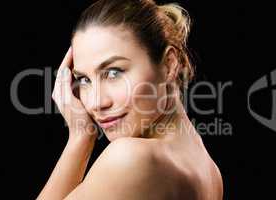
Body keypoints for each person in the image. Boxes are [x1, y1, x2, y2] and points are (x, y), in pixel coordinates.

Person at [37, 0, 223, 199]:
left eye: (113, 72)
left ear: (169, 64)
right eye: (84, 79)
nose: (95, 103)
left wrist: (79, 138)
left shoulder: (131, 158)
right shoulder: (209, 170)